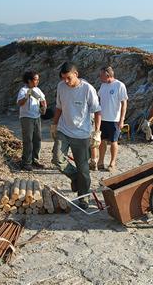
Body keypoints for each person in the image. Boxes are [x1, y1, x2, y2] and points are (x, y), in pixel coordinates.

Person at [51, 62, 102, 209]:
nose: (66, 81)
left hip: (82, 134)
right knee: (57, 159)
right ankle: (74, 177)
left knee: (84, 169)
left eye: (68, 78)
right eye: (63, 78)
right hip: (64, 130)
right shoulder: (61, 86)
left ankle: (83, 198)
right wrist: (54, 125)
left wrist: (97, 132)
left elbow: (97, 111)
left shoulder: (87, 89)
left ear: (76, 74)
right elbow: (59, 107)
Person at [95, 66, 128, 172]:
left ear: (107, 75)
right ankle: (100, 161)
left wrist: (122, 119)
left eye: (101, 75)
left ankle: (112, 163)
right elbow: (99, 99)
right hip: (103, 118)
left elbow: (124, 103)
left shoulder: (119, 85)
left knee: (113, 141)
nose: (99, 77)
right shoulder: (103, 85)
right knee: (102, 141)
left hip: (114, 119)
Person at [16, 70, 46, 171]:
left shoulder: (37, 89)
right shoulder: (23, 90)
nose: (37, 81)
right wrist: (26, 96)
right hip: (26, 117)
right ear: (29, 80)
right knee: (28, 140)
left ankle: (35, 160)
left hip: (36, 117)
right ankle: (26, 162)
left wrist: (44, 107)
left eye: (38, 79)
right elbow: (19, 103)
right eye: (35, 80)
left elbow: (43, 99)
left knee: (37, 139)